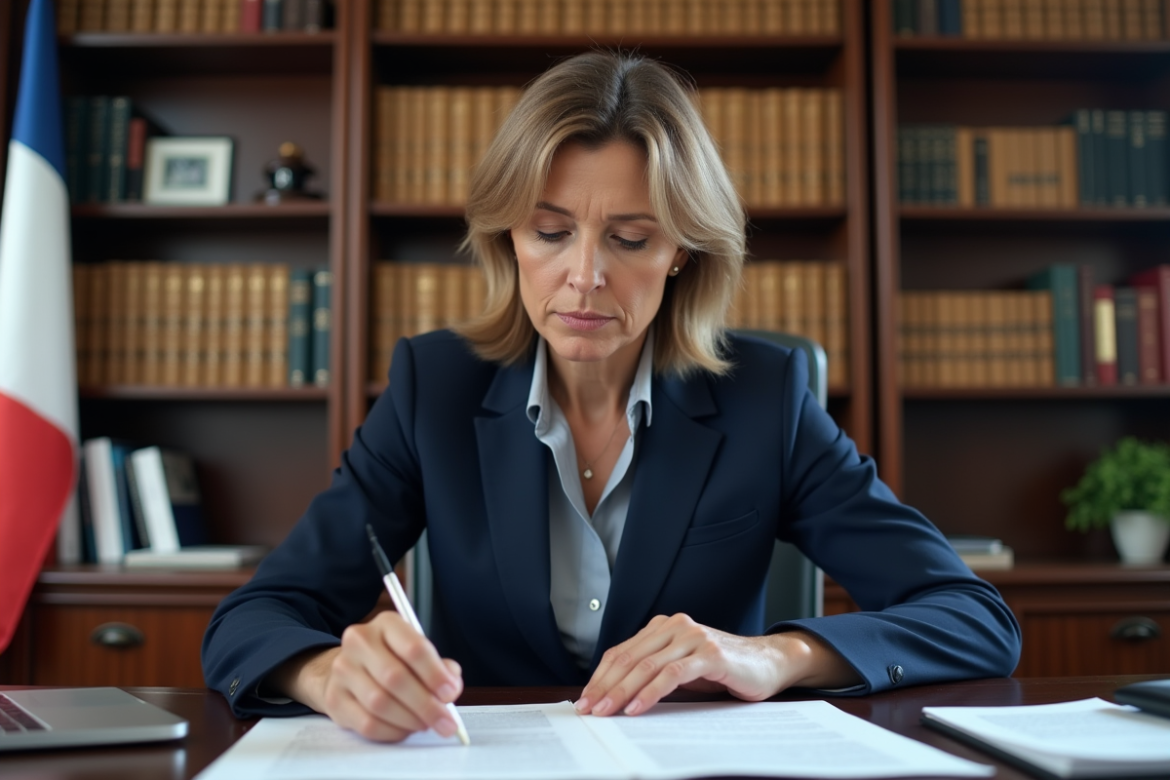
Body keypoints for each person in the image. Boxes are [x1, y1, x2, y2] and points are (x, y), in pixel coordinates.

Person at [202, 51, 1021, 743]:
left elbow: (973, 617)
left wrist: (770, 657)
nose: (585, 275)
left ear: (681, 254)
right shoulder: (433, 389)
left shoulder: (765, 398)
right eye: (550, 232)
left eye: (629, 238)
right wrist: (327, 673)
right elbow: (254, 618)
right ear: (507, 240)